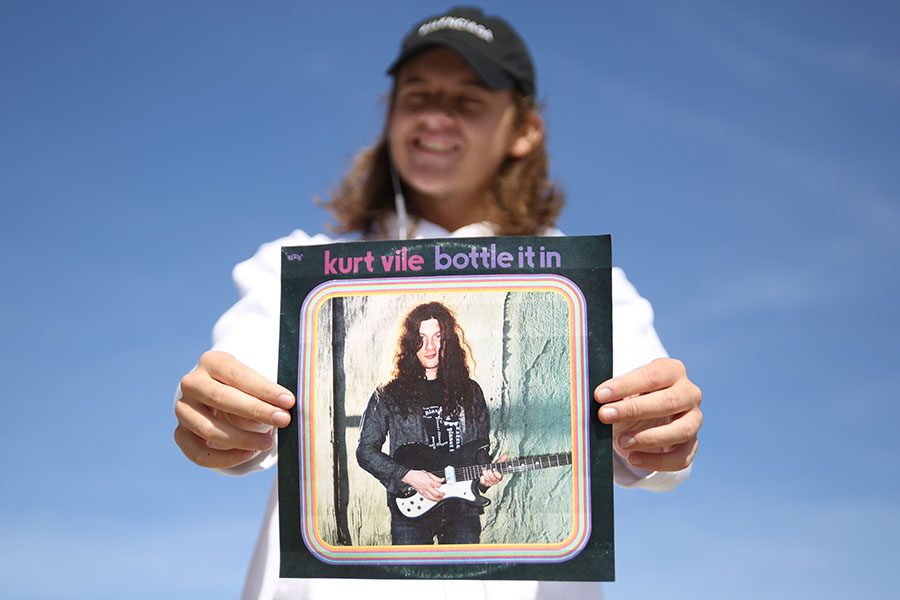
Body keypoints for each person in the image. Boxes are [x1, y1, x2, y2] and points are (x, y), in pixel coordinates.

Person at [174, 6, 703, 599]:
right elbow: (250, 401)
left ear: (524, 129)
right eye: (416, 95)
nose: (435, 116)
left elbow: (650, 455)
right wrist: (224, 418)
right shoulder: (293, 267)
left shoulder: (586, 284)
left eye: (468, 100)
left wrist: (662, 431)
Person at [356, 301, 502, 545]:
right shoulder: (389, 394)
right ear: (409, 343)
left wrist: (486, 476)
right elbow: (365, 451)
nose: (430, 347)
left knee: (461, 580)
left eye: (437, 337)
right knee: (412, 581)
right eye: (421, 338)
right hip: (411, 508)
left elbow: (479, 450)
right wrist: (409, 475)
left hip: (462, 512)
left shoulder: (470, 391)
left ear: (449, 341)